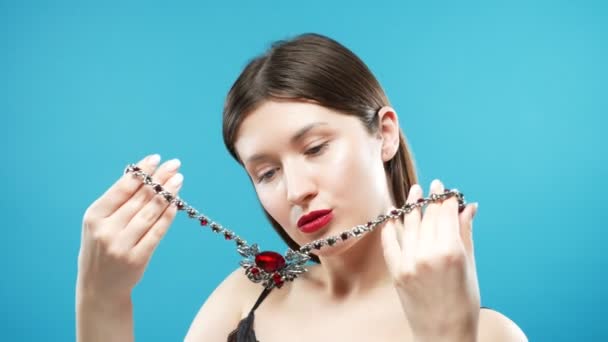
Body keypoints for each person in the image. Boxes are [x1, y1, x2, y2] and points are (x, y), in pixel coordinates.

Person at [76, 33, 528, 341]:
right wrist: (101, 298)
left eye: (314, 148)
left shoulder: (486, 333)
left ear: (384, 134)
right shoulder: (243, 299)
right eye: (266, 173)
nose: (296, 190)